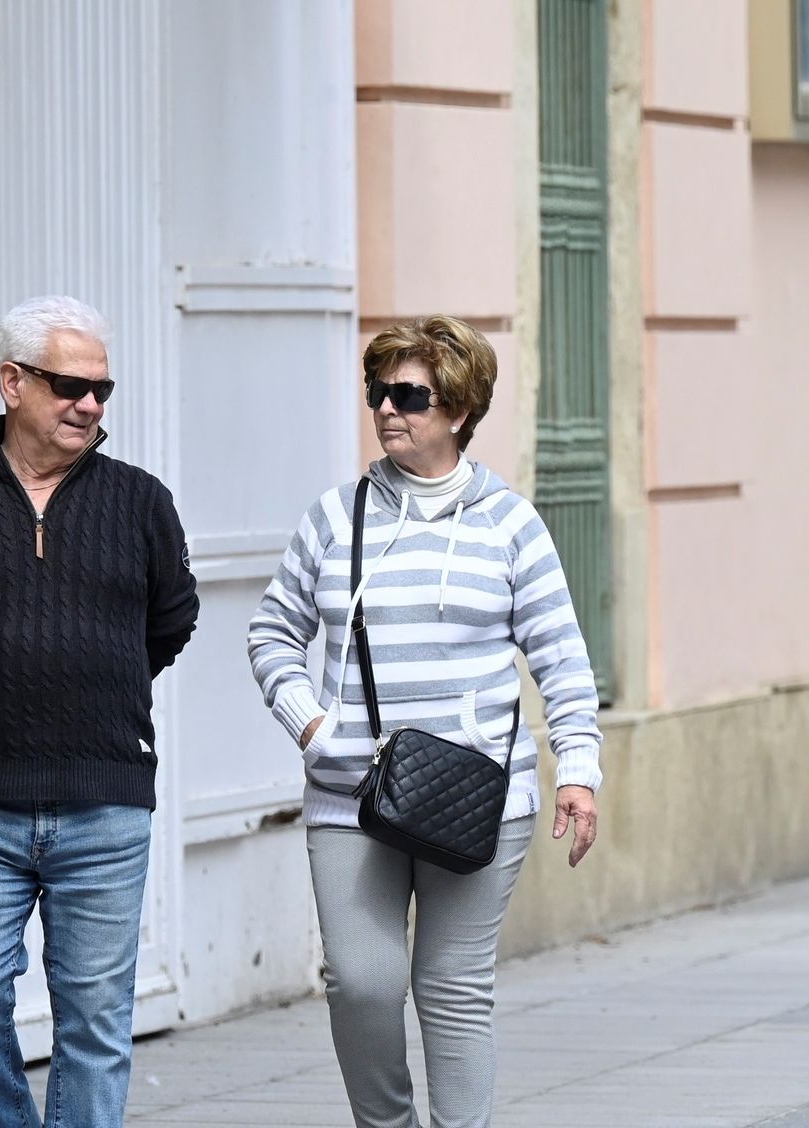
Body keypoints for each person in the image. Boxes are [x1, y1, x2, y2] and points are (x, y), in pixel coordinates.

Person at [246, 315, 603, 1128]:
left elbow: (561, 660)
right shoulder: (335, 519)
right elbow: (271, 634)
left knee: (451, 985)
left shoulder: (510, 524)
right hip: (349, 795)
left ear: (460, 410)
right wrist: (312, 729)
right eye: (380, 391)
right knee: (362, 981)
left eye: (410, 394)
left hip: (478, 795)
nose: (388, 408)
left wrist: (578, 771)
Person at [0, 295, 198, 1128]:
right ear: (12, 383)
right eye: (69, 385)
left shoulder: (141, 502)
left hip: (105, 798)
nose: (90, 404)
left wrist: (101, 693)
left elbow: (172, 620)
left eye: (102, 388)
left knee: (95, 1018)